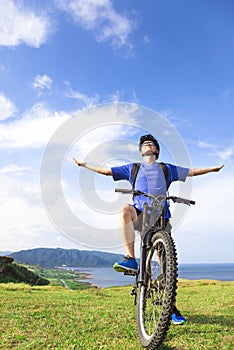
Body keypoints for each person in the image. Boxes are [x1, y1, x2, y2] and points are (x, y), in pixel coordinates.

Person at [73, 134, 224, 324]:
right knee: (125, 210)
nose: (147, 145)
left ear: (156, 151)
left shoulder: (166, 168)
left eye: (151, 143)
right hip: (140, 213)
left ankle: (171, 308)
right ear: (141, 150)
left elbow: (191, 172)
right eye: (144, 144)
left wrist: (213, 169)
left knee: (166, 264)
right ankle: (131, 260)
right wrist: (83, 164)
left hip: (161, 217)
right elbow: (105, 171)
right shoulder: (133, 168)